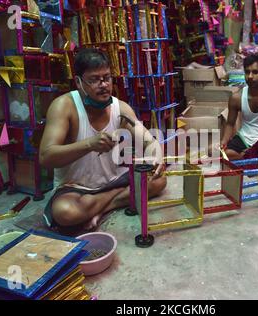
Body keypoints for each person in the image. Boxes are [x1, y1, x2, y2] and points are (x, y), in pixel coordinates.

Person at [39, 48, 166, 234]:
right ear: (78, 82)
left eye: (107, 78)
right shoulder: (64, 106)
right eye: (94, 79)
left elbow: (149, 141)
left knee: (159, 181)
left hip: (115, 181)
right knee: (65, 212)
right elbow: (46, 156)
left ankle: (100, 209)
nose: (103, 85)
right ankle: (114, 201)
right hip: (77, 189)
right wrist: (89, 144)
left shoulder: (120, 107)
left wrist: (157, 157)